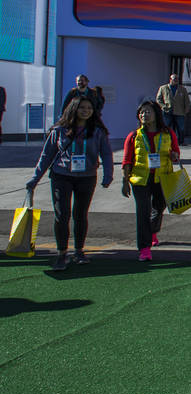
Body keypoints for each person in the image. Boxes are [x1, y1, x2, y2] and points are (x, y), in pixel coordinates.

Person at [26, 96, 114, 270]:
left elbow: (106, 154)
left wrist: (108, 175)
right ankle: (61, 253)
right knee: (62, 215)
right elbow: (46, 156)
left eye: (89, 108)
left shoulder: (97, 131)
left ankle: (79, 251)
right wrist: (35, 179)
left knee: (80, 215)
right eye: (82, 107)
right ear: (73, 108)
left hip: (87, 177)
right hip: (62, 176)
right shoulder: (59, 131)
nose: (86, 111)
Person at [120, 101, 179, 262]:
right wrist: (125, 181)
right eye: (142, 112)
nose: (144, 115)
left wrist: (174, 156)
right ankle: (144, 248)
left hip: (163, 177)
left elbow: (176, 152)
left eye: (148, 112)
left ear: (156, 114)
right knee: (143, 212)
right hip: (140, 179)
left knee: (159, 207)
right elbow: (127, 160)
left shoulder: (167, 133)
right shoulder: (134, 136)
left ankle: (152, 230)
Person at [156, 74, 191, 142]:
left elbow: (187, 101)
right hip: (167, 111)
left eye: (177, 79)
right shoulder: (163, 88)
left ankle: (181, 141)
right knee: (166, 127)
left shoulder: (182, 89)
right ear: (170, 80)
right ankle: (166, 141)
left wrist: (186, 110)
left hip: (179, 111)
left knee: (181, 128)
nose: (176, 80)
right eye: (174, 79)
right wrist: (163, 106)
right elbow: (158, 99)